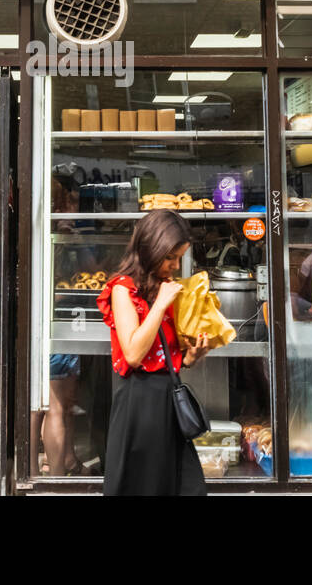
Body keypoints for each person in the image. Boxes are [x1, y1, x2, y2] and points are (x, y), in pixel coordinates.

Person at [97, 208, 212, 496]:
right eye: (170, 257)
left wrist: (191, 357)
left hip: (167, 398)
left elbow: (169, 354)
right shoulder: (123, 288)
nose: (175, 265)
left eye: (179, 257)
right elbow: (134, 353)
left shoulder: (165, 287)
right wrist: (160, 305)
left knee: (179, 484)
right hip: (138, 400)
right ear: (151, 248)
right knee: (142, 484)